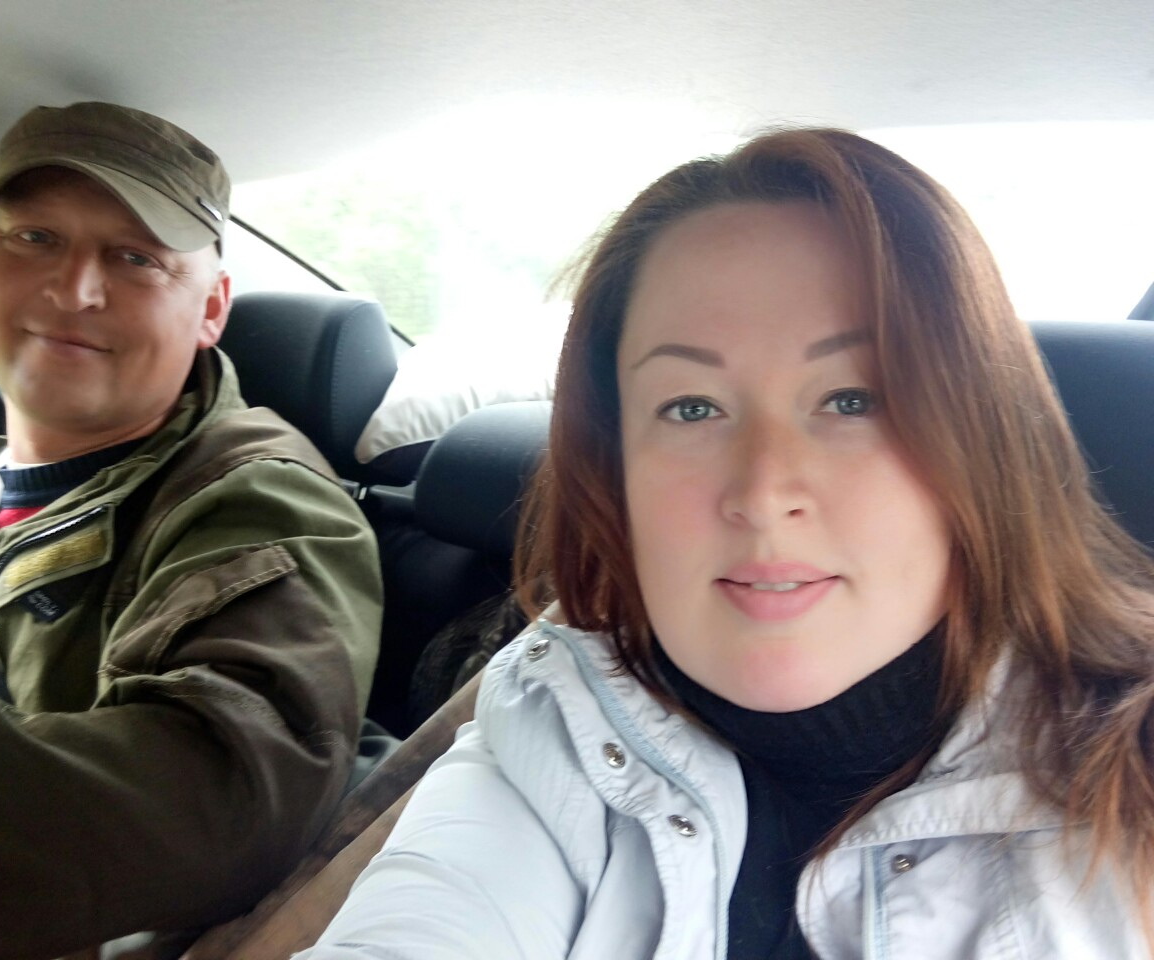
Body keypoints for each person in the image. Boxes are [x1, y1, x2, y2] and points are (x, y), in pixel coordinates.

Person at [299, 128, 1154, 959]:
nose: (762, 491)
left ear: (987, 441)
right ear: (616, 467)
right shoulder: (556, 721)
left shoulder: (1132, 755)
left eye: (854, 399)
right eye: (691, 407)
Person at [0, 102, 381, 959]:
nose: (74, 289)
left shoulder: (256, 500)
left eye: (136, 258)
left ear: (212, 308)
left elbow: (221, 793)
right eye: (35, 238)